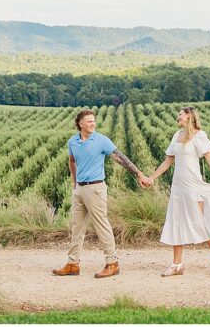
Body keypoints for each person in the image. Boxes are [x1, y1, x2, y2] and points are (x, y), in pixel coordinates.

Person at [143, 106, 210, 276]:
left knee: (202, 223)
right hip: (178, 187)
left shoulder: (199, 136)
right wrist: (152, 177)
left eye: (181, 114)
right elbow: (168, 161)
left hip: (194, 186)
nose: (178, 116)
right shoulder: (177, 135)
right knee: (176, 222)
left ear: (189, 117)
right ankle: (177, 265)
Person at [52, 109, 150, 278]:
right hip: (80, 189)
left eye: (93, 121)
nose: (93, 124)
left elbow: (121, 158)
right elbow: (72, 161)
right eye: (89, 121)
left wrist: (139, 174)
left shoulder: (101, 140)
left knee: (101, 225)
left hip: (95, 188)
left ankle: (112, 263)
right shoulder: (73, 142)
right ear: (80, 123)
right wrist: (74, 182)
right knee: (77, 227)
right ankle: (72, 264)